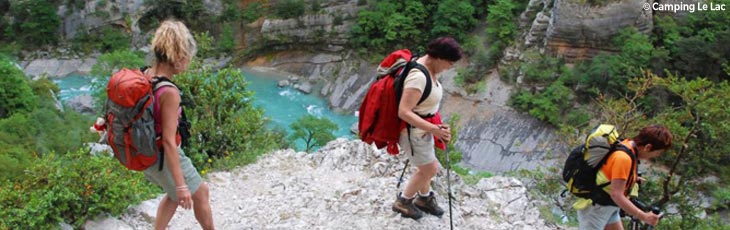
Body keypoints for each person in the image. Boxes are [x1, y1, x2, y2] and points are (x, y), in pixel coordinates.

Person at [143, 20, 215, 230]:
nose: (188, 63)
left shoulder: (146, 75)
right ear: (179, 56)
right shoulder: (169, 91)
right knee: (200, 192)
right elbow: (168, 141)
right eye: (187, 57)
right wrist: (183, 185)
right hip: (161, 155)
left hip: (145, 151)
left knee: (173, 194)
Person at [392, 37, 463, 220]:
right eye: (449, 63)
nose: (450, 67)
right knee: (430, 169)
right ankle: (403, 202)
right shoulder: (418, 77)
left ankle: (423, 199)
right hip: (413, 133)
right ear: (439, 57)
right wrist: (434, 129)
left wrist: (434, 127)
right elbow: (404, 112)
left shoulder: (429, 68)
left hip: (423, 129)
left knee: (425, 167)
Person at [576, 124, 673, 229]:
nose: (656, 156)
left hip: (608, 207)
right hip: (596, 209)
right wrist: (643, 216)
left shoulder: (628, 146)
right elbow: (616, 195)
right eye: (657, 153)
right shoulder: (624, 158)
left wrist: (631, 179)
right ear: (648, 147)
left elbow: (611, 174)